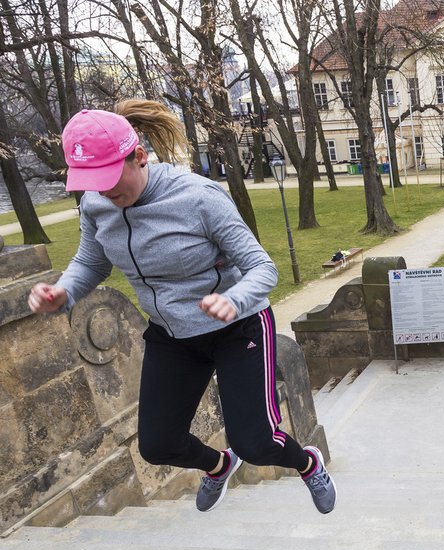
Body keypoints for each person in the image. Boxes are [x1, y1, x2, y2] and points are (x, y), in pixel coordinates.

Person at [27, 101, 336, 514]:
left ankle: (307, 462)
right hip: (172, 335)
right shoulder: (95, 205)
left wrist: (233, 299)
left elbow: (263, 267)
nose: (105, 194)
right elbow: (91, 262)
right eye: (94, 184)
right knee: (158, 445)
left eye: (112, 182)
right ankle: (218, 465)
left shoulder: (198, 197)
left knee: (256, 442)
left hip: (236, 327)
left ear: (138, 156)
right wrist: (62, 292)